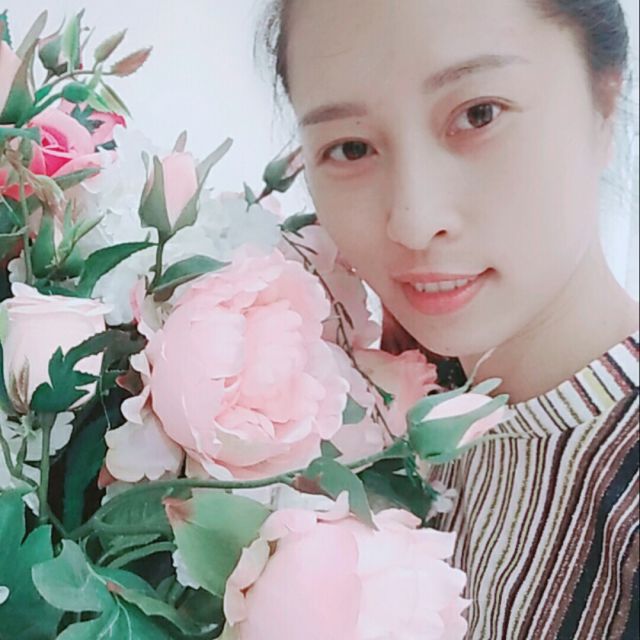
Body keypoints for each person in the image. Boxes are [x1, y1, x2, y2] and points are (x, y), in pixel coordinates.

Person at [256, 0, 639, 638]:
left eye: (478, 114)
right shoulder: (346, 418)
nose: (413, 221)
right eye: (350, 147)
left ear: (604, 99)